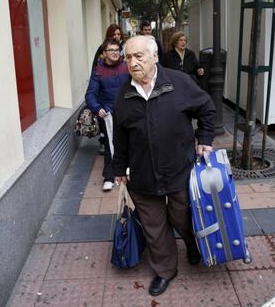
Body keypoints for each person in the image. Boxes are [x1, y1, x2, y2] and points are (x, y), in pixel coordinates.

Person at [112, 36, 216, 296]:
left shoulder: (179, 82)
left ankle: (192, 244)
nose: (133, 62)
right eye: (128, 57)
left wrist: (204, 139)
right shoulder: (123, 95)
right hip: (143, 176)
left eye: (139, 56)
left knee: (182, 218)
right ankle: (165, 271)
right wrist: (117, 170)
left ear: (155, 56)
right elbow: (120, 138)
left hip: (179, 170)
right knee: (154, 227)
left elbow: (206, 108)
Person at [85, 39, 130, 191]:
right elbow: (90, 94)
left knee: (132, 142)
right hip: (109, 115)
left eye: (117, 49)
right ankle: (109, 177)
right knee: (111, 146)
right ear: (104, 53)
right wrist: (97, 109)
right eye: (111, 50)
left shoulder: (127, 67)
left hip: (129, 111)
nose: (115, 52)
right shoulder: (98, 70)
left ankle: (130, 171)